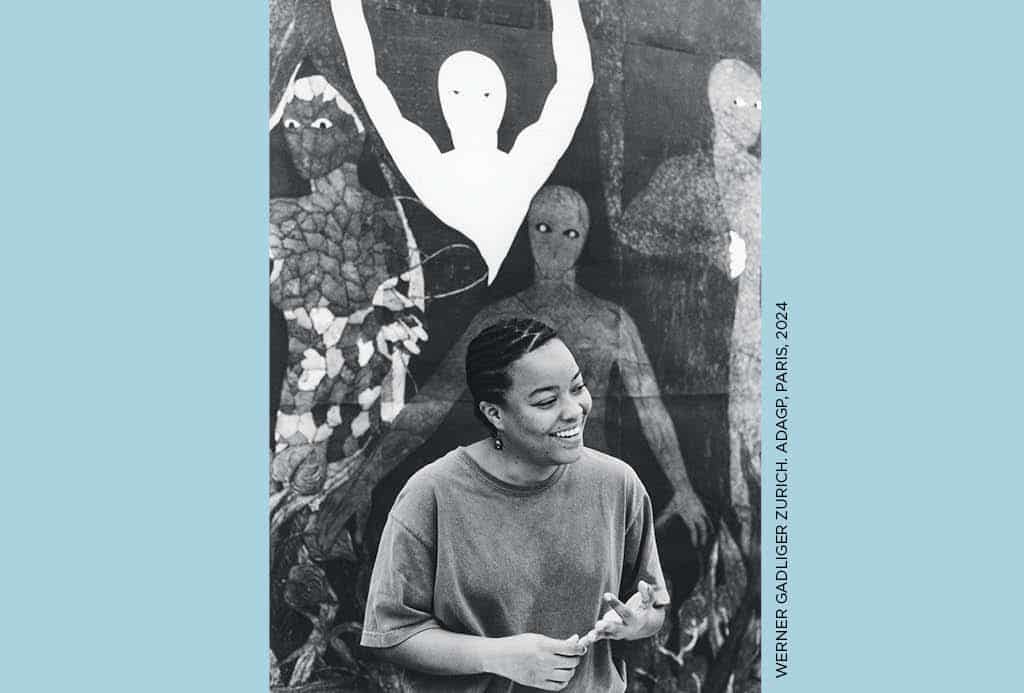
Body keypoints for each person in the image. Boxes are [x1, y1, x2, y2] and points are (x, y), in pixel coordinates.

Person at [360, 318, 670, 692]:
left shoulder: (617, 483)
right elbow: (392, 634)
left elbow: (652, 606)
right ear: (495, 414)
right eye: (546, 401)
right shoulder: (431, 494)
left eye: (577, 387)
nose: (573, 410)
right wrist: (499, 656)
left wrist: (636, 623)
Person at [329, 0, 593, 283]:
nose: (472, 105)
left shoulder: (518, 169)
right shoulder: (431, 165)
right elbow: (369, 84)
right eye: (456, 92)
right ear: (443, 102)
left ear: (502, 101)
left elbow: (576, 84)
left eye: (486, 94)